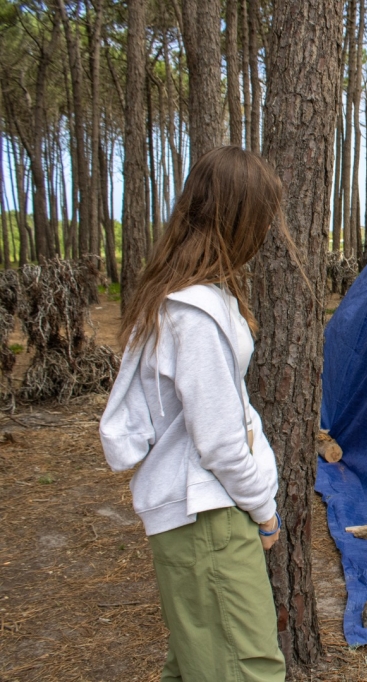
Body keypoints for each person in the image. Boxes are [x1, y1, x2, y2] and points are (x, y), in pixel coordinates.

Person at [100, 146, 289, 682]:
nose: (266, 232)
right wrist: (264, 509)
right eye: (262, 219)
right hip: (208, 515)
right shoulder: (197, 314)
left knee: (196, 666)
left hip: (197, 514)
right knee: (248, 670)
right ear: (238, 218)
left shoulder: (175, 298)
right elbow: (219, 439)